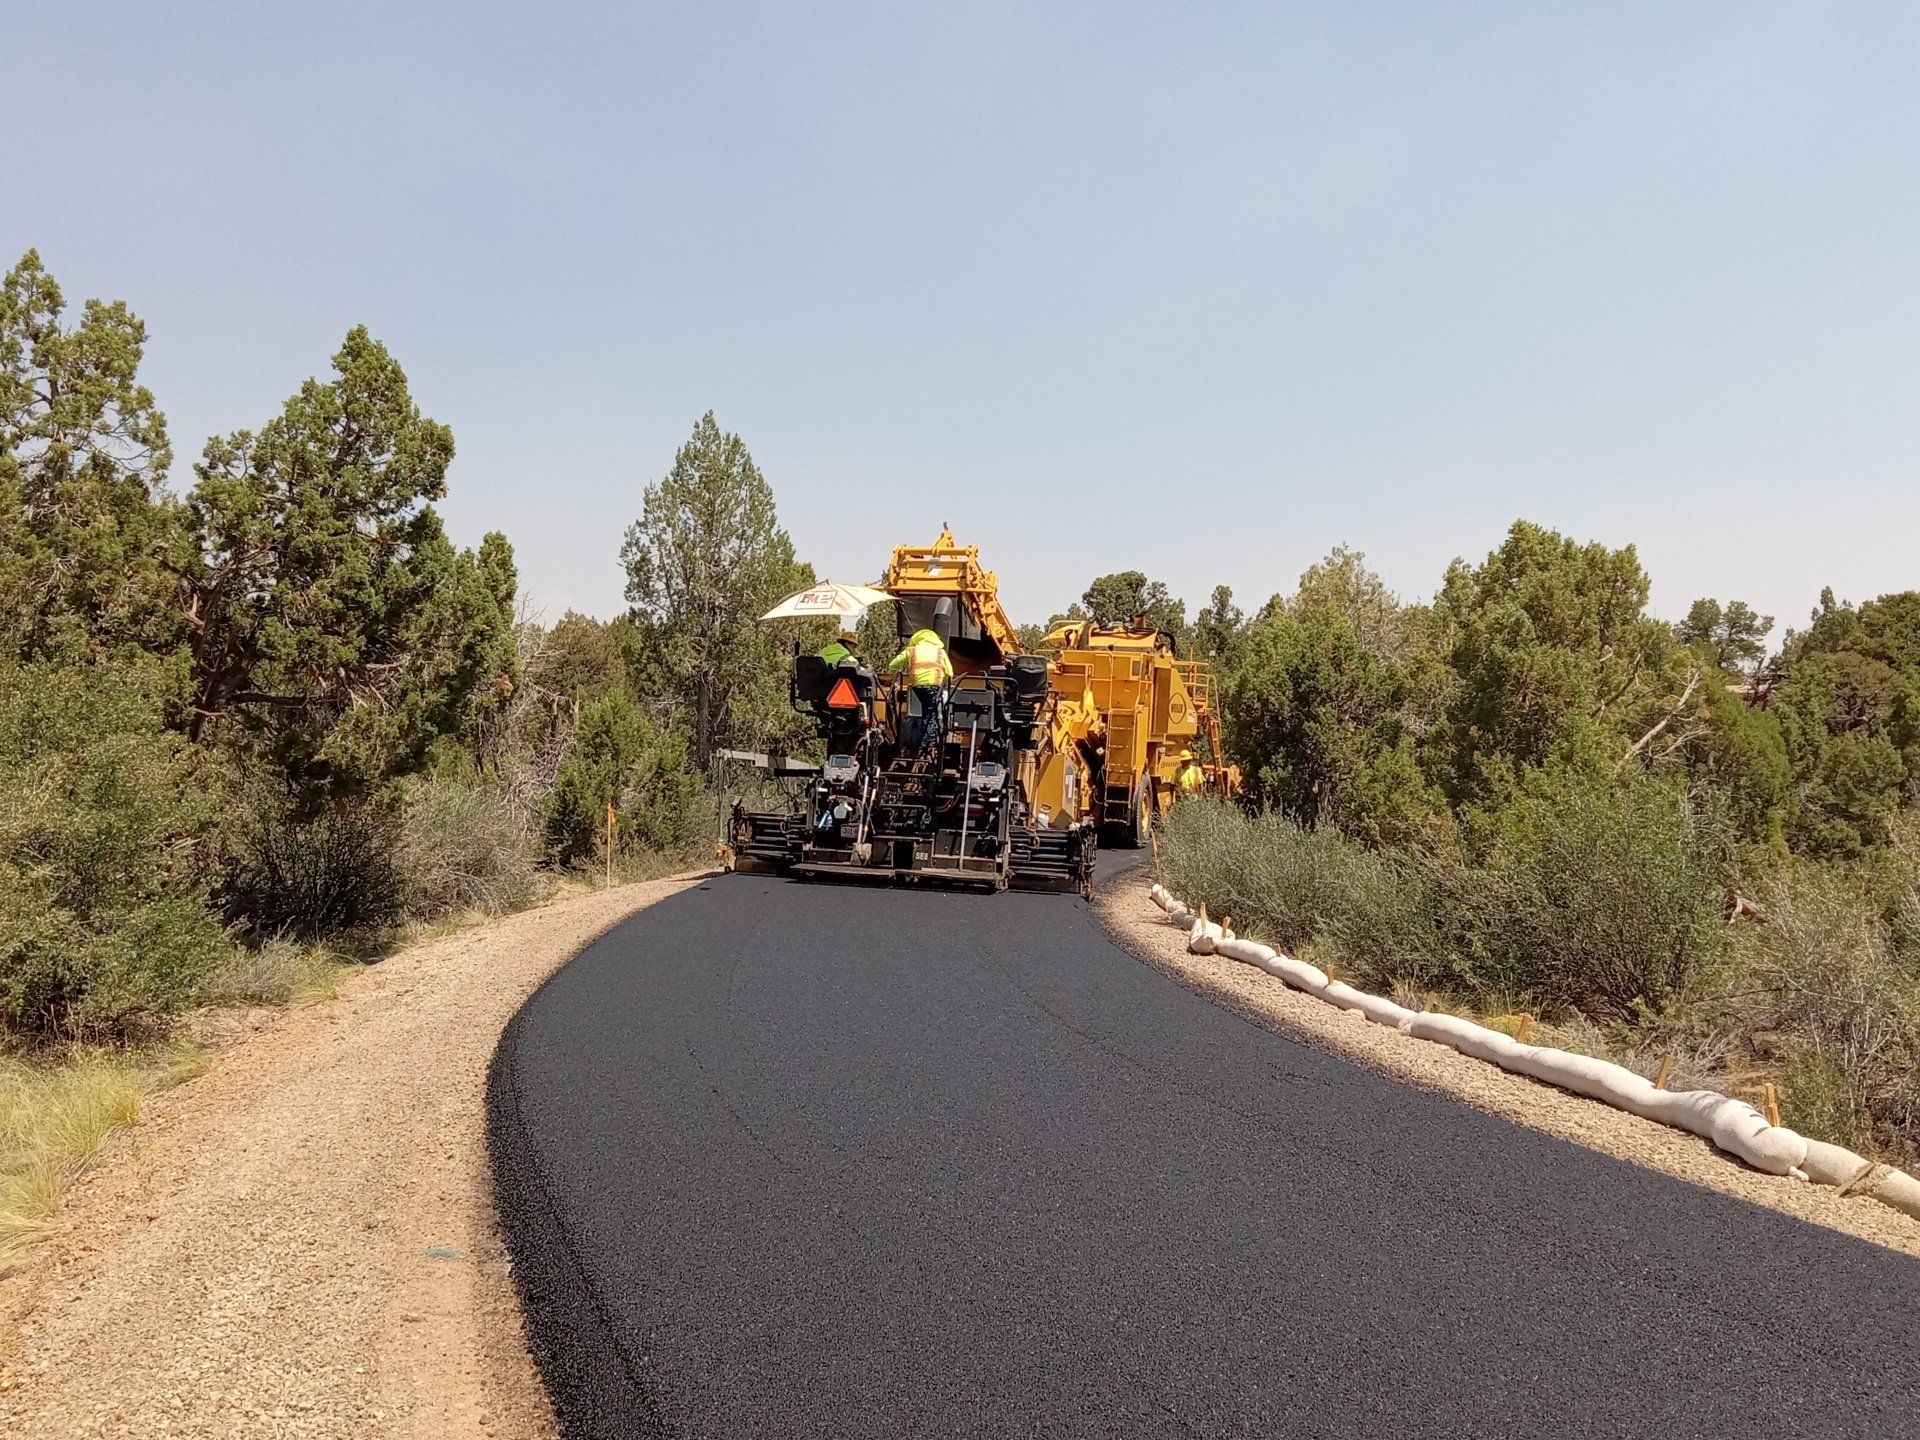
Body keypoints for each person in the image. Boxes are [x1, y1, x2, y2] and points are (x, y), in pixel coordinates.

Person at [889, 626, 953, 750]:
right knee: (931, 714)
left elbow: (893, 665)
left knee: (923, 712)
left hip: (917, 687)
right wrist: (944, 683)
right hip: (933, 687)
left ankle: (919, 740)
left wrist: (894, 675)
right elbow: (950, 672)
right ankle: (926, 744)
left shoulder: (912, 650)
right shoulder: (940, 652)